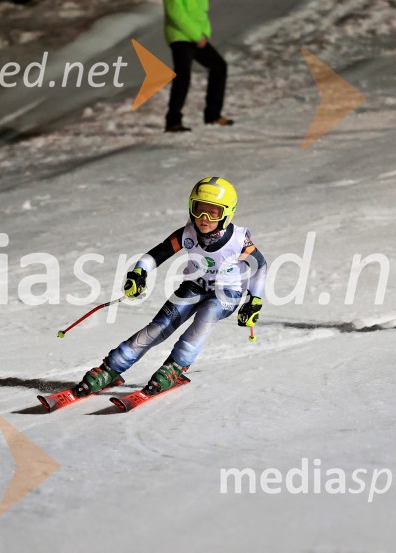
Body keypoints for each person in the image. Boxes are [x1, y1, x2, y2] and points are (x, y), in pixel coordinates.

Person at [74, 177, 266, 397]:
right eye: (199, 209)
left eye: (213, 213)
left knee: (208, 314)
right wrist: (139, 272)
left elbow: (260, 266)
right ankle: (113, 366)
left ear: (227, 213)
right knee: (160, 326)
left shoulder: (238, 241)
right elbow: (157, 254)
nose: (203, 219)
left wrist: (254, 300)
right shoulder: (188, 234)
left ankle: (176, 366)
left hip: (226, 294)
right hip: (193, 287)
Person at [163, 0, 234, 132]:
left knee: (219, 66)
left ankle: (213, 116)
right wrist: (197, 36)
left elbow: (203, 13)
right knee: (183, 74)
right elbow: (176, 14)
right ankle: (173, 122)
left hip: (197, 37)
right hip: (180, 36)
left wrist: (204, 34)